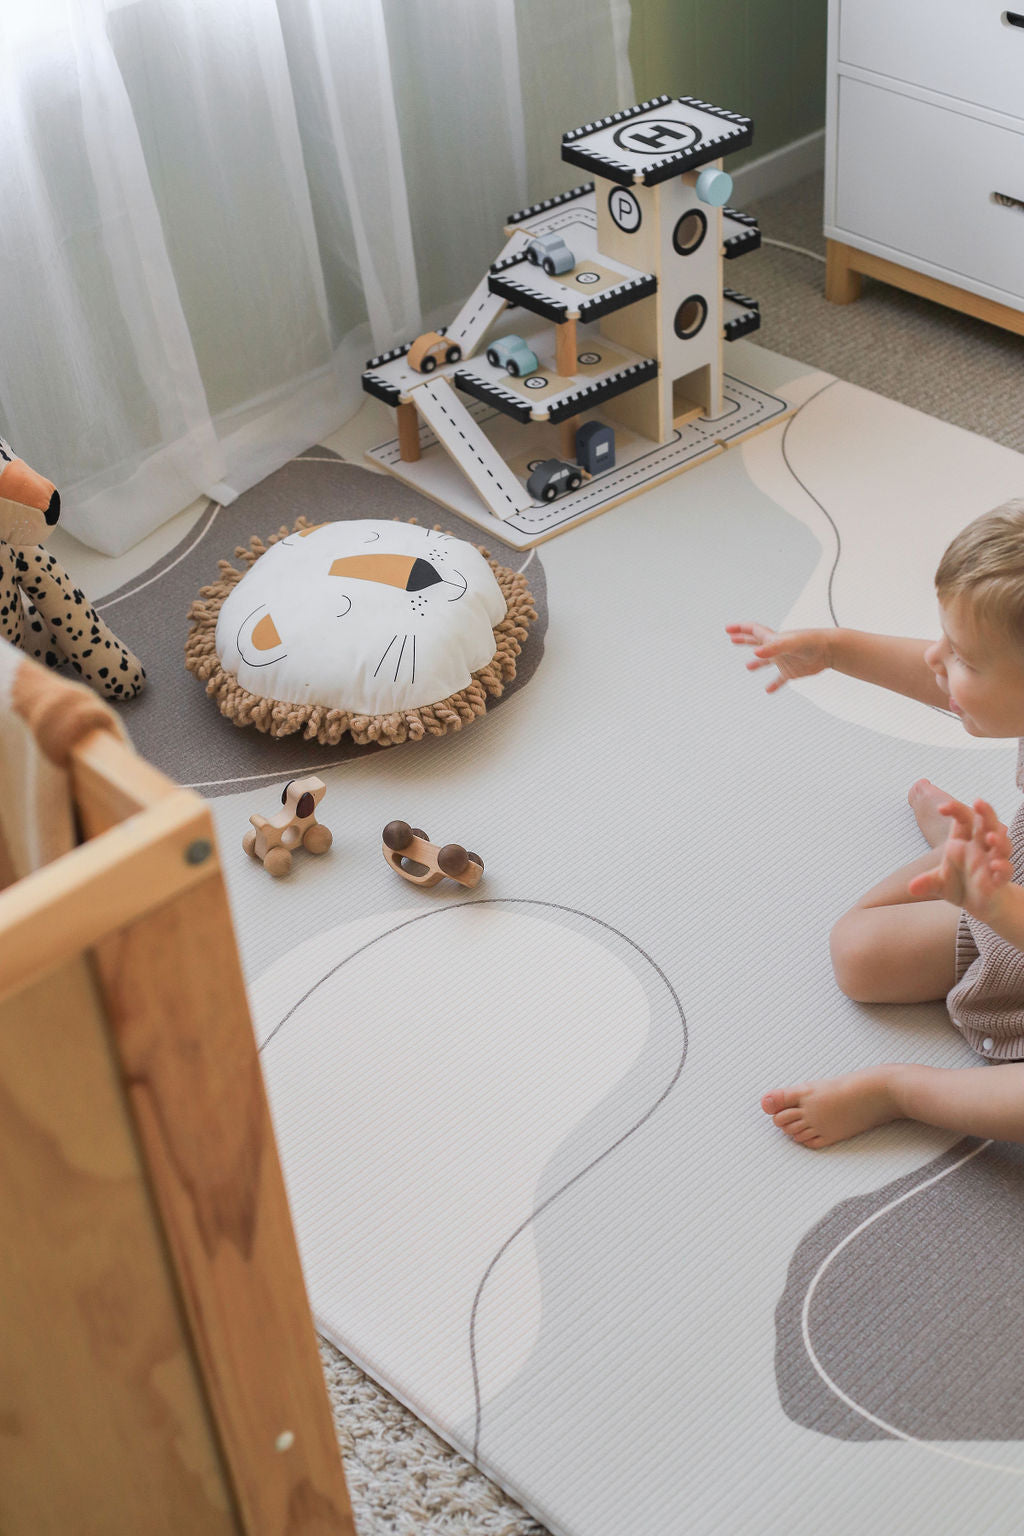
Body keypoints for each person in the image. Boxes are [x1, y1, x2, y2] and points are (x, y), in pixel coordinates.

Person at [726, 499, 1024, 1148]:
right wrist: (834, 649)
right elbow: (935, 673)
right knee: (858, 955)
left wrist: (997, 904)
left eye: (965, 659)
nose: (938, 660)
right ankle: (965, 852)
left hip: (1014, 913)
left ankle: (901, 1090)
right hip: (1009, 909)